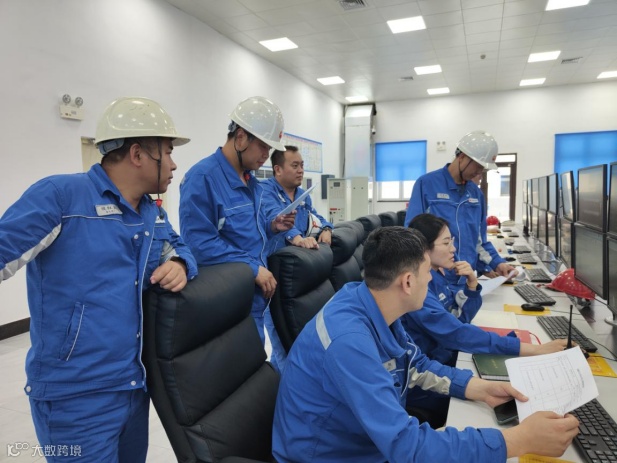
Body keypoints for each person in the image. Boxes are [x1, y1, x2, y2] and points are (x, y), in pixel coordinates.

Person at [272, 226, 578, 463]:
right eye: (427, 272)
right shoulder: (349, 342)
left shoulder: (370, 300)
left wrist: (477, 388)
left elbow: (413, 364)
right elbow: (406, 447)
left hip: (366, 444)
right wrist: (517, 441)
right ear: (407, 282)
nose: (431, 280)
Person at [0, 97, 198, 462]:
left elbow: (179, 246)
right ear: (137, 154)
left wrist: (181, 263)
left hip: (133, 388)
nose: (173, 164)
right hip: (74, 400)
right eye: (168, 153)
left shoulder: (151, 212)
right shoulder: (61, 197)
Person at [402, 213, 568, 427]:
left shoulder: (437, 275)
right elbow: (456, 333)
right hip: (428, 383)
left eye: (452, 241)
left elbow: (459, 320)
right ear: (424, 249)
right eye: (446, 242)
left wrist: (472, 285)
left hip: (444, 361)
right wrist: (532, 349)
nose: (453, 248)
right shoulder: (420, 287)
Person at [179, 96, 295, 369]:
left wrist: (272, 226)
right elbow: (199, 243)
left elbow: (244, 233)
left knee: (254, 369)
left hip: (253, 299)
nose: (266, 155)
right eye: (263, 146)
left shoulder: (251, 181)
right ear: (241, 137)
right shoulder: (202, 178)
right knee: (237, 373)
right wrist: (252, 268)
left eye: (270, 148)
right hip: (228, 302)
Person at [404, 131, 516, 286]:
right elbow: (412, 236)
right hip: (435, 280)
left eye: (483, 168)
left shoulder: (476, 194)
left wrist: (498, 263)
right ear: (462, 157)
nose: (479, 172)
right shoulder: (427, 184)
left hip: (465, 278)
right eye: (478, 166)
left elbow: (479, 242)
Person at [261, 145, 333, 253]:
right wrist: (298, 239)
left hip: (301, 254)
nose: (301, 171)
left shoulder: (302, 194)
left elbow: (315, 217)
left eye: (302, 166)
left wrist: (327, 229)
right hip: (276, 257)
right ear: (278, 170)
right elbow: (276, 217)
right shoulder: (264, 190)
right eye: (295, 166)